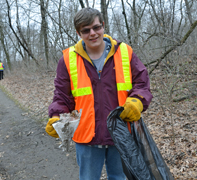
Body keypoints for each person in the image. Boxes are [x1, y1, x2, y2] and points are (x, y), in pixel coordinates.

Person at [45, 7, 153, 180]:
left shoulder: (125, 52)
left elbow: (142, 82)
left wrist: (137, 101)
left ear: (103, 25)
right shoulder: (67, 59)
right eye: (86, 30)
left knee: (119, 178)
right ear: (79, 33)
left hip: (121, 133)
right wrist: (57, 116)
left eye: (96, 27)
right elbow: (62, 96)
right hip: (86, 137)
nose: (92, 33)